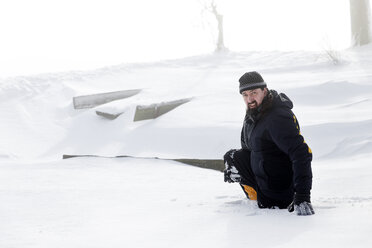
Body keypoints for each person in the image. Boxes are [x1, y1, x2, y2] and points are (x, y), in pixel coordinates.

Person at [223, 71, 314, 216]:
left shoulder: (277, 117)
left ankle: (264, 202)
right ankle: (255, 199)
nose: (249, 99)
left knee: (238, 158)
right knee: (234, 157)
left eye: (253, 92)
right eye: (245, 95)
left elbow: (301, 153)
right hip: (265, 177)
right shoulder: (255, 113)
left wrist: (303, 196)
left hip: (279, 192)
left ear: (264, 91)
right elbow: (250, 149)